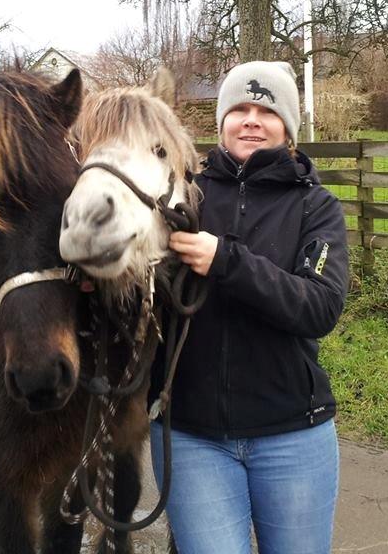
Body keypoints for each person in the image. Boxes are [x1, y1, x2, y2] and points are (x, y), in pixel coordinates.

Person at [148, 60, 349, 554]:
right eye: (239, 109)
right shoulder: (181, 197)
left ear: (288, 127)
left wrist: (226, 261)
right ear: (222, 122)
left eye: (267, 111)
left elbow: (319, 307)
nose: (252, 121)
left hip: (293, 434)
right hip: (192, 436)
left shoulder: (316, 207)